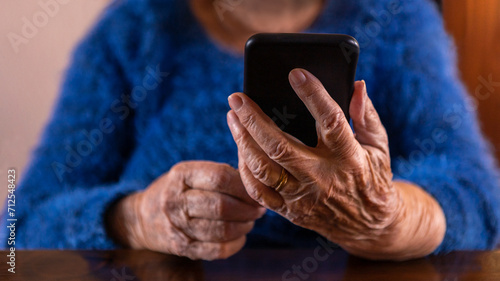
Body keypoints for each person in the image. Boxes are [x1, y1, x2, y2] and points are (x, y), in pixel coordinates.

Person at [2, 0, 499, 261]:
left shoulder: (399, 18)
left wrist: (386, 219)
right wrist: (136, 218)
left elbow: (481, 200)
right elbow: (18, 229)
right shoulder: (135, 28)